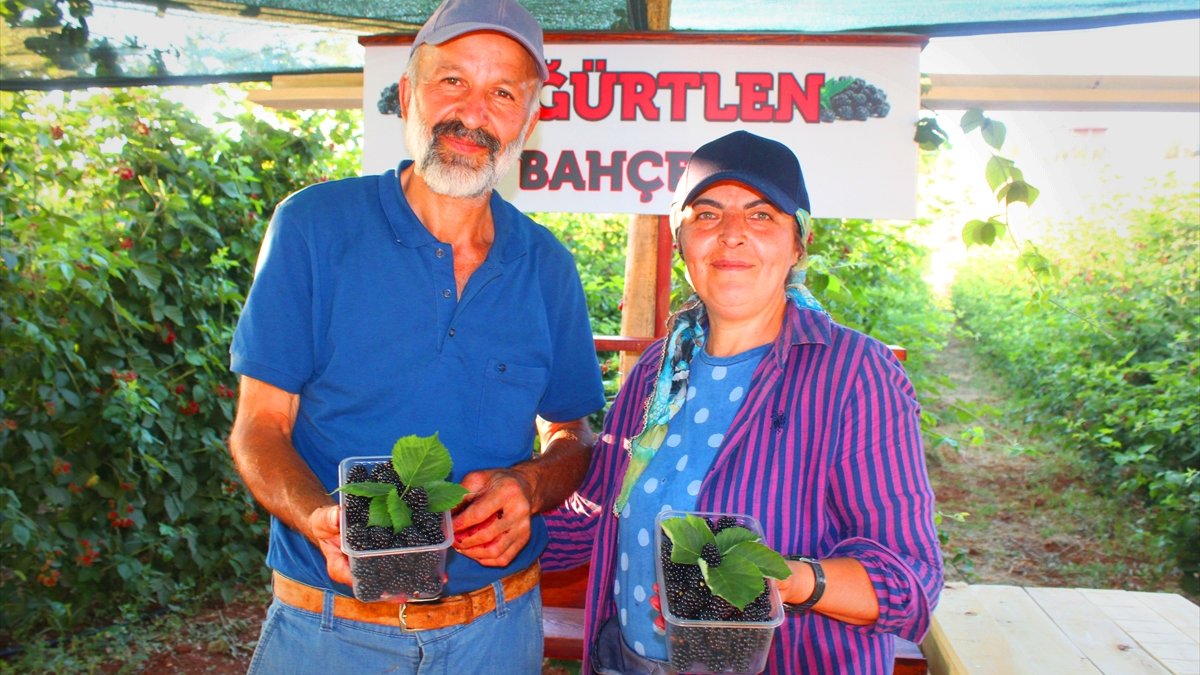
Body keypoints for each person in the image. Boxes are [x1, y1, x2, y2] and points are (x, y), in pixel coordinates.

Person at [227, 0, 605, 672]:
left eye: (503, 93)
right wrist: (317, 517)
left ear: (529, 120)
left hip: (498, 632)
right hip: (328, 632)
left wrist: (529, 485)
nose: (473, 113)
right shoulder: (313, 227)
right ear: (407, 95)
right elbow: (259, 428)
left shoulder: (548, 265)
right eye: (452, 80)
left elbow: (572, 432)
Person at [543, 130, 943, 674]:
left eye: (761, 215)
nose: (732, 234)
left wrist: (792, 581)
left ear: (799, 243)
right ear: (680, 238)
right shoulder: (658, 372)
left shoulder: (855, 375)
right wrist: (496, 512)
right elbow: (591, 516)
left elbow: (910, 580)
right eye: (707, 214)